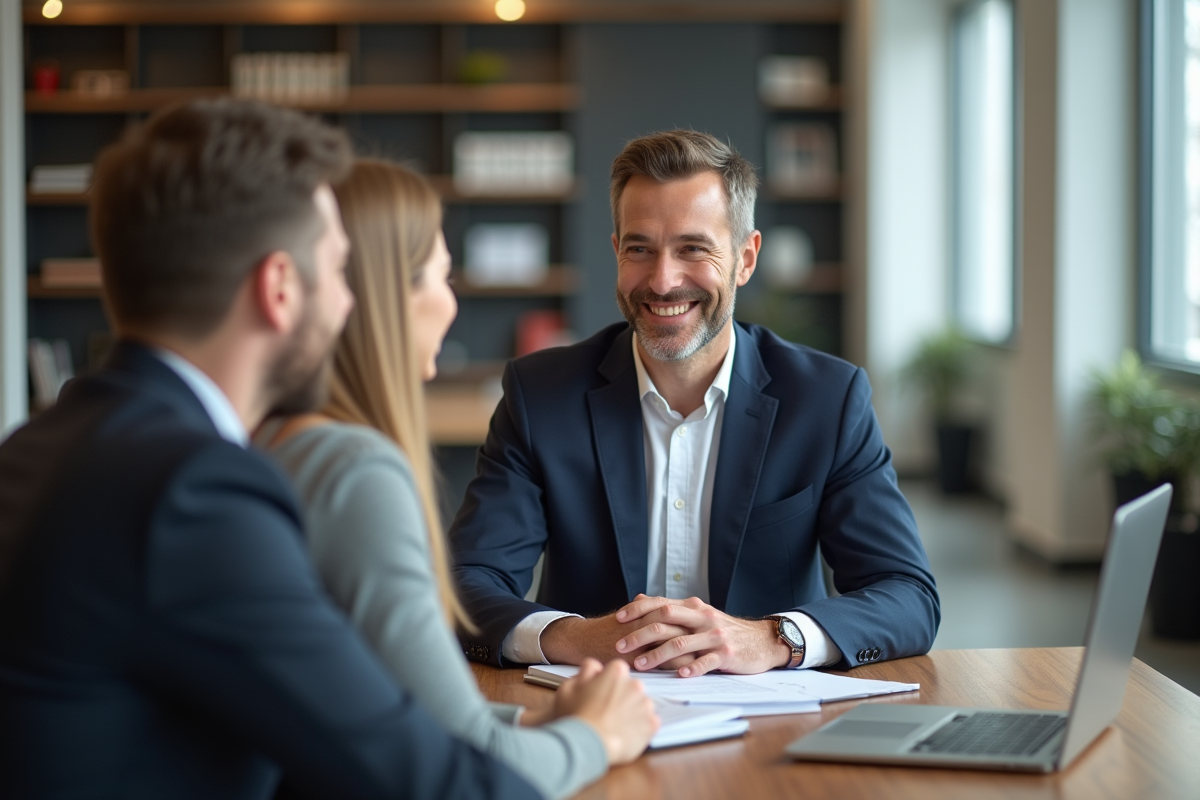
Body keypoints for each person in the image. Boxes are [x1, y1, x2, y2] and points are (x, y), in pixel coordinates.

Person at [0, 98, 551, 800]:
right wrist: (596, 735)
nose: (352, 305)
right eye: (336, 269)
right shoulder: (194, 493)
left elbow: (331, 719)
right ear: (280, 288)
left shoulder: (41, 445)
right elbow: (437, 784)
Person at [451, 129, 940, 677]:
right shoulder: (540, 395)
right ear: (616, 252)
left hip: (772, 725)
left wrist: (773, 638)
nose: (663, 280)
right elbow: (466, 587)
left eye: (693, 248)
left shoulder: (827, 399)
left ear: (745, 258)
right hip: (595, 713)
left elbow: (906, 595)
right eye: (640, 248)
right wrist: (577, 637)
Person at [257, 159, 657, 800]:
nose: (452, 300)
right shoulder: (355, 474)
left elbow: (378, 708)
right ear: (385, 296)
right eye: (441, 276)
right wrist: (598, 735)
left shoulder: (276, 444)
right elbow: (462, 772)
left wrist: (529, 721)